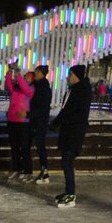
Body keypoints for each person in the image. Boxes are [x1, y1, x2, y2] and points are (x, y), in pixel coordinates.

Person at [51, 64, 90, 209]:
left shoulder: (82, 91)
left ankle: (71, 195)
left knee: (68, 162)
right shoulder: (74, 90)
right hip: (69, 131)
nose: (68, 77)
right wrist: (57, 123)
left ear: (77, 76)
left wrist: (58, 122)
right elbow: (65, 110)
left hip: (75, 132)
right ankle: (68, 192)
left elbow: (72, 112)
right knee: (66, 162)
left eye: (71, 74)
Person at [4, 63, 34, 181]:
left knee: (24, 148)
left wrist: (18, 74)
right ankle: (16, 169)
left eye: (28, 76)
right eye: (24, 76)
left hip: (23, 122)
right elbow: (9, 84)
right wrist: (9, 72)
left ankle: (28, 171)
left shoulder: (30, 90)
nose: (25, 78)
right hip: (12, 120)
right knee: (14, 147)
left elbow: (24, 86)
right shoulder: (16, 90)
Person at [29, 65, 52, 183]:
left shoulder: (43, 87)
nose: (34, 74)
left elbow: (41, 107)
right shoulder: (38, 85)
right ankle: (43, 170)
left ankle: (45, 171)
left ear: (40, 73)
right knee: (38, 146)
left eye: (36, 72)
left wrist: (28, 115)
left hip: (39, 122)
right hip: (37, 121)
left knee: (40, 146)